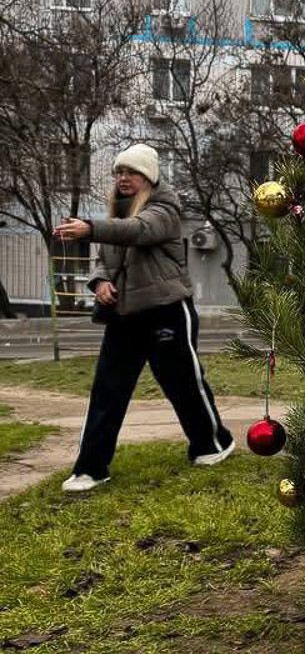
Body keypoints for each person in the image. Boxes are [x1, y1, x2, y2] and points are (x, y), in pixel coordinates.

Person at [53, 144, 235, 492]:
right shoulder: (114, 215)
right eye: (119, 172)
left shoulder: (164, 210)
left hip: (166, 309)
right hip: (124, 315)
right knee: (107, 389)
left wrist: (90, 228)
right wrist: (101, 281)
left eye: (131, 172)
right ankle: (90, 468)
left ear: (148, 176)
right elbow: (105, 258)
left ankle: (213, 444)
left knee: (182, 384)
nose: (123, 178)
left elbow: (138, 231)